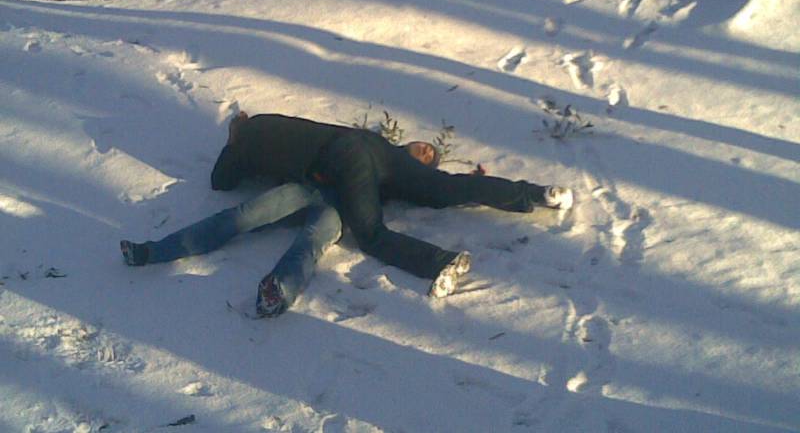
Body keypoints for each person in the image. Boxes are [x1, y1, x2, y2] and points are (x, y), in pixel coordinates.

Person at [210, 112, 573, 307]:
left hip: (347, 154)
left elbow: (220, 181)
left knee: (371, 235)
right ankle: (537, 194)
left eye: (429, 154)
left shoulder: (248, 137)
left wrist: (232, 144)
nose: (427, 152)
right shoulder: (265, 127)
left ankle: (440, 262)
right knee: (445, 187)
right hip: (364, 149)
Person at [120, 113, 447, 317]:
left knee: (310, 242)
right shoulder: (372, 145)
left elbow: (432, 194)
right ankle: (154, 251)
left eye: (429, 157)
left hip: (338, 210)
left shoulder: (400, 178)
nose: (425, 151)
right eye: (425, 146)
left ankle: (278, 292)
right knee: (243, 215)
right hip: (307, 187)